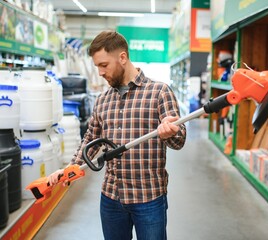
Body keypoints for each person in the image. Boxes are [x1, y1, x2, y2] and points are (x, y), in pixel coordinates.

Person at [48, 30, 187, 240]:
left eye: (104, 65)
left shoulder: (160, 92)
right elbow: (90, 141)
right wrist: (68, 169)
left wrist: (170, 131)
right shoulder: (103, 100)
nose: (100, 73)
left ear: (122, 57)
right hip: (112, 197)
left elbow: (179, 141)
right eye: (97, 67)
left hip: (148, 197)